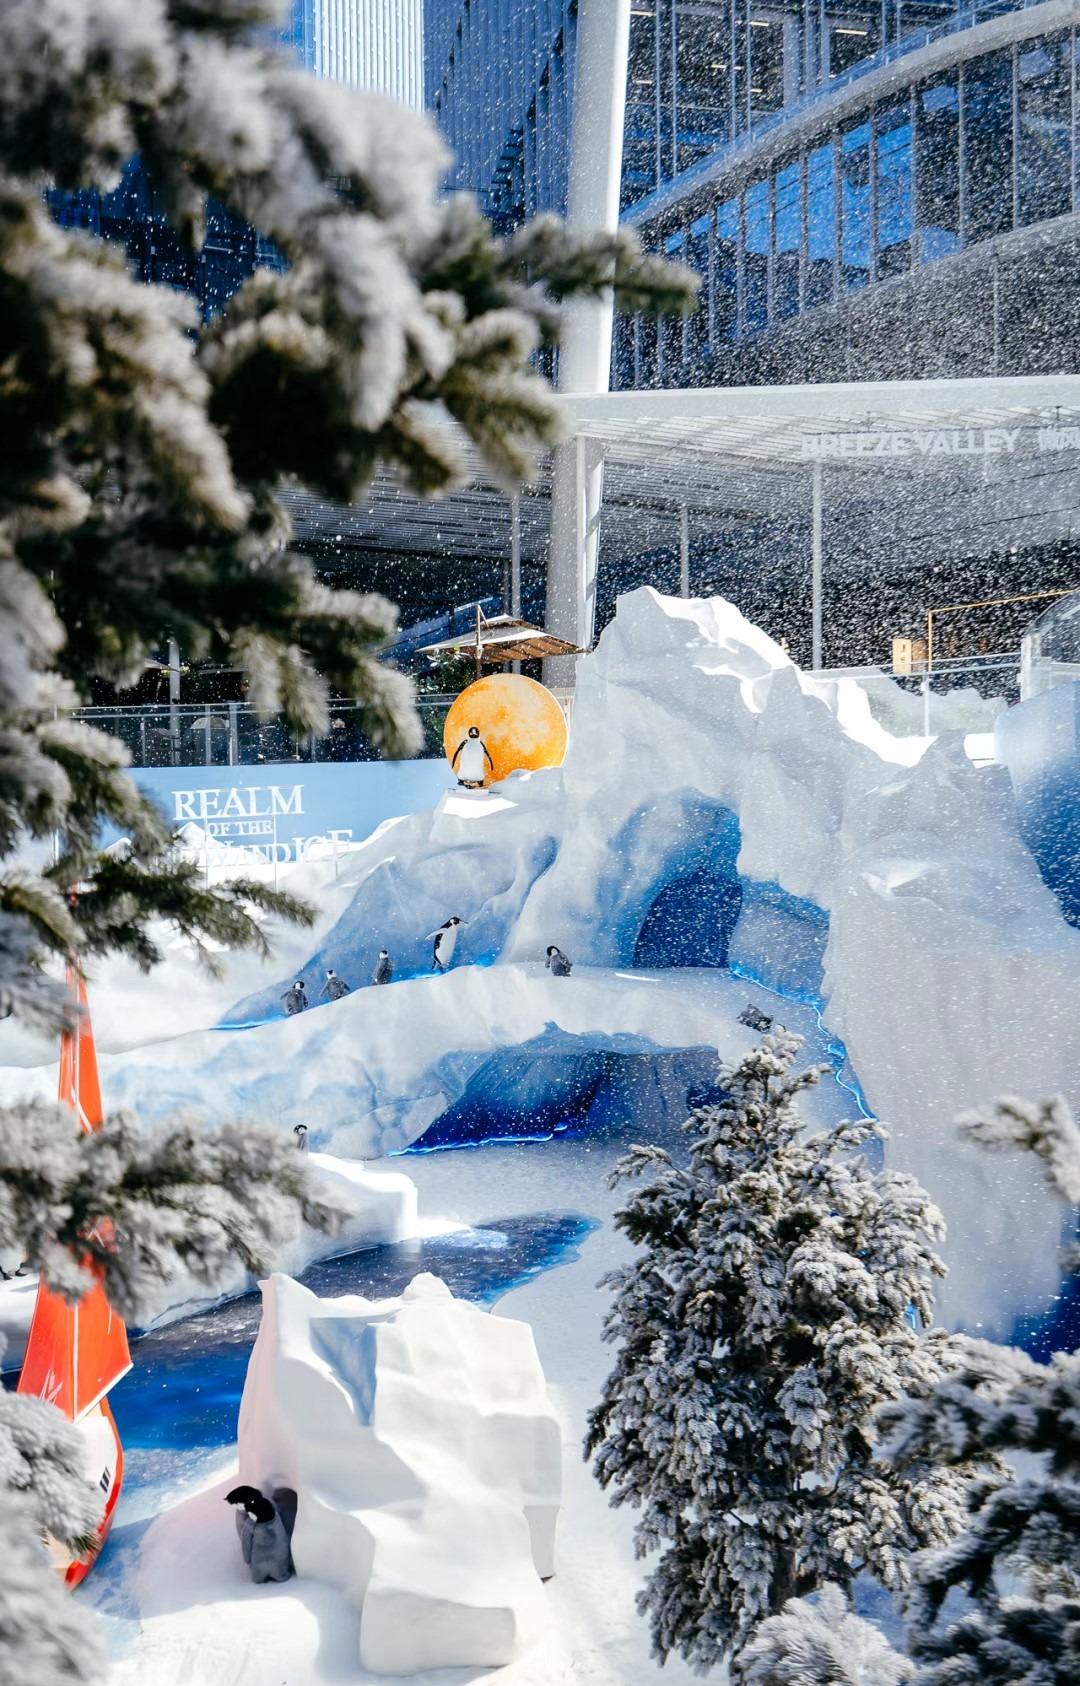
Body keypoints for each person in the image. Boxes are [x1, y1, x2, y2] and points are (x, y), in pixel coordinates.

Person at [225, 1486, 295, 1584]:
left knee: (269, 1569)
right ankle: (274, 1575)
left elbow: (246, 1542)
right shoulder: (275, 1522)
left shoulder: (253, 1523)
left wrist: (247, 1558)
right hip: (267, 1561)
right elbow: (283, 1542)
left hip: (263, 1560)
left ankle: (273, 1574)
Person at [451, 725, 494, 789]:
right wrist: (491, 766)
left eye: (475, 732)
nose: (474, 734)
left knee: (466, 773)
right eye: (472, 733)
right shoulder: (479, 744)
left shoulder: (468, 743)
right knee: (476, 774)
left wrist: (453, 764)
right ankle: (476, 781)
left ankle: (464, 780)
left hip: (469, 775)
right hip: (476, 775)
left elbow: (456, 753)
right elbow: (488, 756)